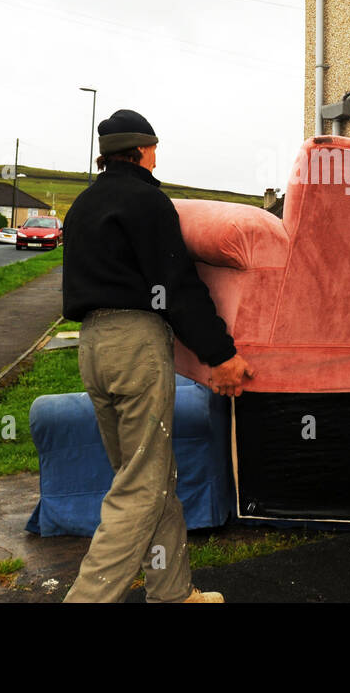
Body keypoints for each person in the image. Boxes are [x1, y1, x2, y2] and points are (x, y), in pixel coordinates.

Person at [61, 108, 253, 603]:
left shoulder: (82, 206)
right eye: (154, 147)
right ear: (143, 150)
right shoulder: (148, 202)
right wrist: (221, 353)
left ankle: (173, 593)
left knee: (149, 476)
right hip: (135, 346)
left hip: (92, 346)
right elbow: (177, 287)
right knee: (140, 489)